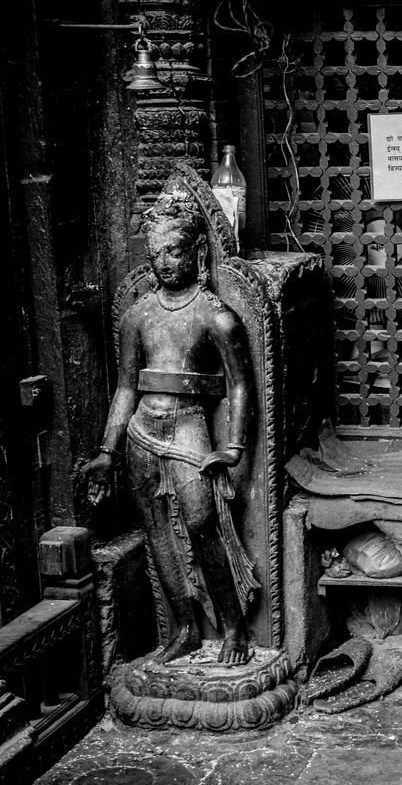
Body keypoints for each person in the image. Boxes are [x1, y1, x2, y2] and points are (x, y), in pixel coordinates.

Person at [82, 177, 258, 665]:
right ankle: (184, 627)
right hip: (141, 429)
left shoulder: (215, 316)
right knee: (157, 528)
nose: (165, 261)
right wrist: (106, 451)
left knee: (202, 524)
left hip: (188, 427)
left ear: (197, 252)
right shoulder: (138, 317)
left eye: (175, 251)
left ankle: (234, 627)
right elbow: (125, 388)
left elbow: (241, 385)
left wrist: (235, 448)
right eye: (157, 252)